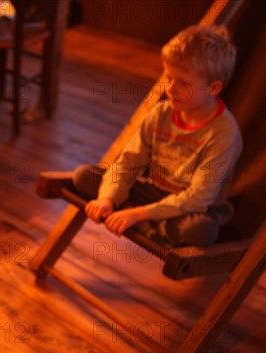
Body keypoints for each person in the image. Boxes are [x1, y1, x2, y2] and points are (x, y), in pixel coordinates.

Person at [73, 24, 242, 248]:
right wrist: (107, 198)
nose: (170, 89)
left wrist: (138, 214)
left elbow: (199, 198)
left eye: (182, 83)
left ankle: (132, 218)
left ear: (213, 88)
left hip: (191, 208)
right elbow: (128, 163)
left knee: (200, 230)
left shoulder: (224, 133)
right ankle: (142, 223)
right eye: (168, 77)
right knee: (84, 176)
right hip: (154, 193)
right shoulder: (161, 112)